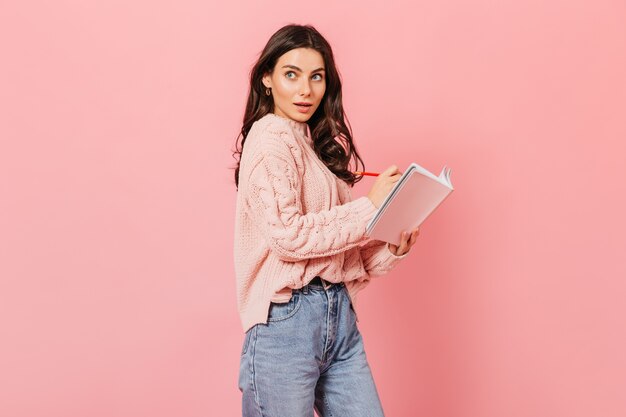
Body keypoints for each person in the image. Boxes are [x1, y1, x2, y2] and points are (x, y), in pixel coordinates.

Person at [232, 24, 420, 417]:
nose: (306, 90)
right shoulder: (269, 138)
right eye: (291, 74)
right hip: (285, 323)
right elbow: (288, 238)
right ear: (267, 78)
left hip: (338, 317)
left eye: (316, 76)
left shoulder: (314, 145)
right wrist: (370, 207)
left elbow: (336, 258)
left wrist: (390, 246)